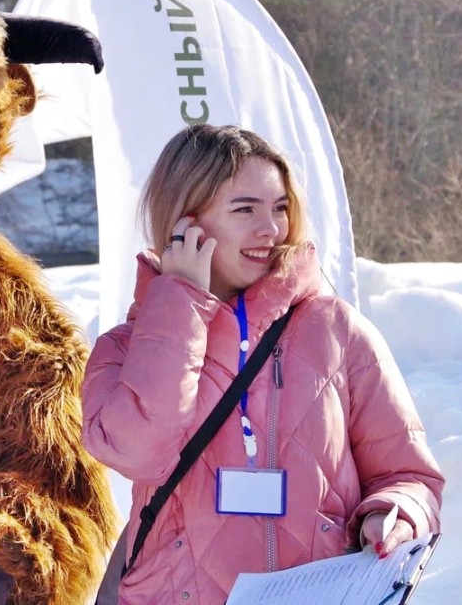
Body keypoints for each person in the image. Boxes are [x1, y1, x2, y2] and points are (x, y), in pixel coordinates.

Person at [82, 124, 443, 604]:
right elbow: (138, 453)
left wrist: (393, 513)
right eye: (245, 209)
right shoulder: (125, 348)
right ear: (184, 222)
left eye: (279, 207)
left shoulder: (337, 331)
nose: (271, 229)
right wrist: (178, 303)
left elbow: (410, 476)